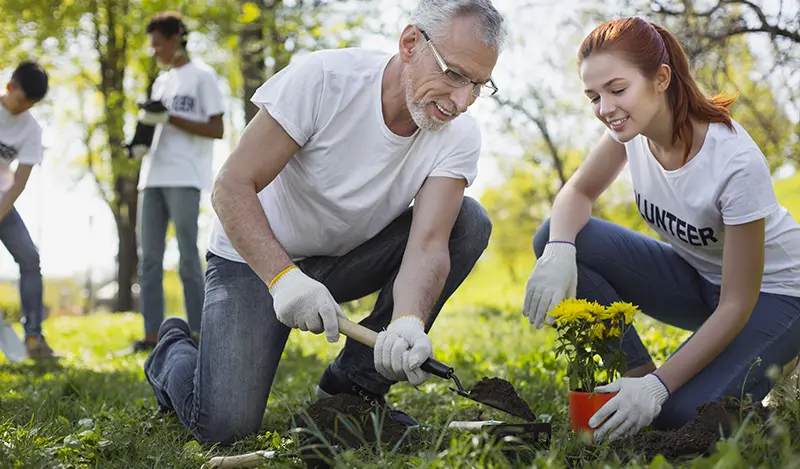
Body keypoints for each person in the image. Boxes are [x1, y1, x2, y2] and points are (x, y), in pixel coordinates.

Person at [143, 0, 506, 444]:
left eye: (477, 85)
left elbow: (429, 243)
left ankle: (352, 386)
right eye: (452, 74)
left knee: (468, 221)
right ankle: (171, 351)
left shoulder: (459, 134)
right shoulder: (324, 80)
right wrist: (284, 279)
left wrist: (409, 319)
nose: (461, 101)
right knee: (224, 428)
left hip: (345, 262)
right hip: (253, 263)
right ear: (411, 43)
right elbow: (231, 186)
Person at [522, 16, 800, 441]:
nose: (605, 109)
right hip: (699, 280)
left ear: (661, 78)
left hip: (774, 296)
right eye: (594, 96)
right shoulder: (630, 132)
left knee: (682, 416)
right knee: (557, 234)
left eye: (617, 89)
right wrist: (559, 250)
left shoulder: (735, 163)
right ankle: (636, 371)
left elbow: (736, 304)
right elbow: (576, 193)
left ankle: (777, 364)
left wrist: (660, 389)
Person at [122, 11, 226, 354]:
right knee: (148, 259)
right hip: (152, 178)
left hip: (184, 176)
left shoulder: (203, 77)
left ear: (174, 40)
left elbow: (217, 129)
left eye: (156, 45)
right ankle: (151, 335)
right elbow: (155, 126)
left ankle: (199, 332)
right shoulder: (161, 82)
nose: (154, 52)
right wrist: (138, 142)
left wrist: (171, 117)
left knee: (186, 256)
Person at [0, 61, 57, 359]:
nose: (24, 108)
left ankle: (33, 338)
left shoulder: (32, 130)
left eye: (31, 104)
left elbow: (19, 181)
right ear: (10, 87)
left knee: (30, 259)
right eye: (22, 100)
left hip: (2, 204)